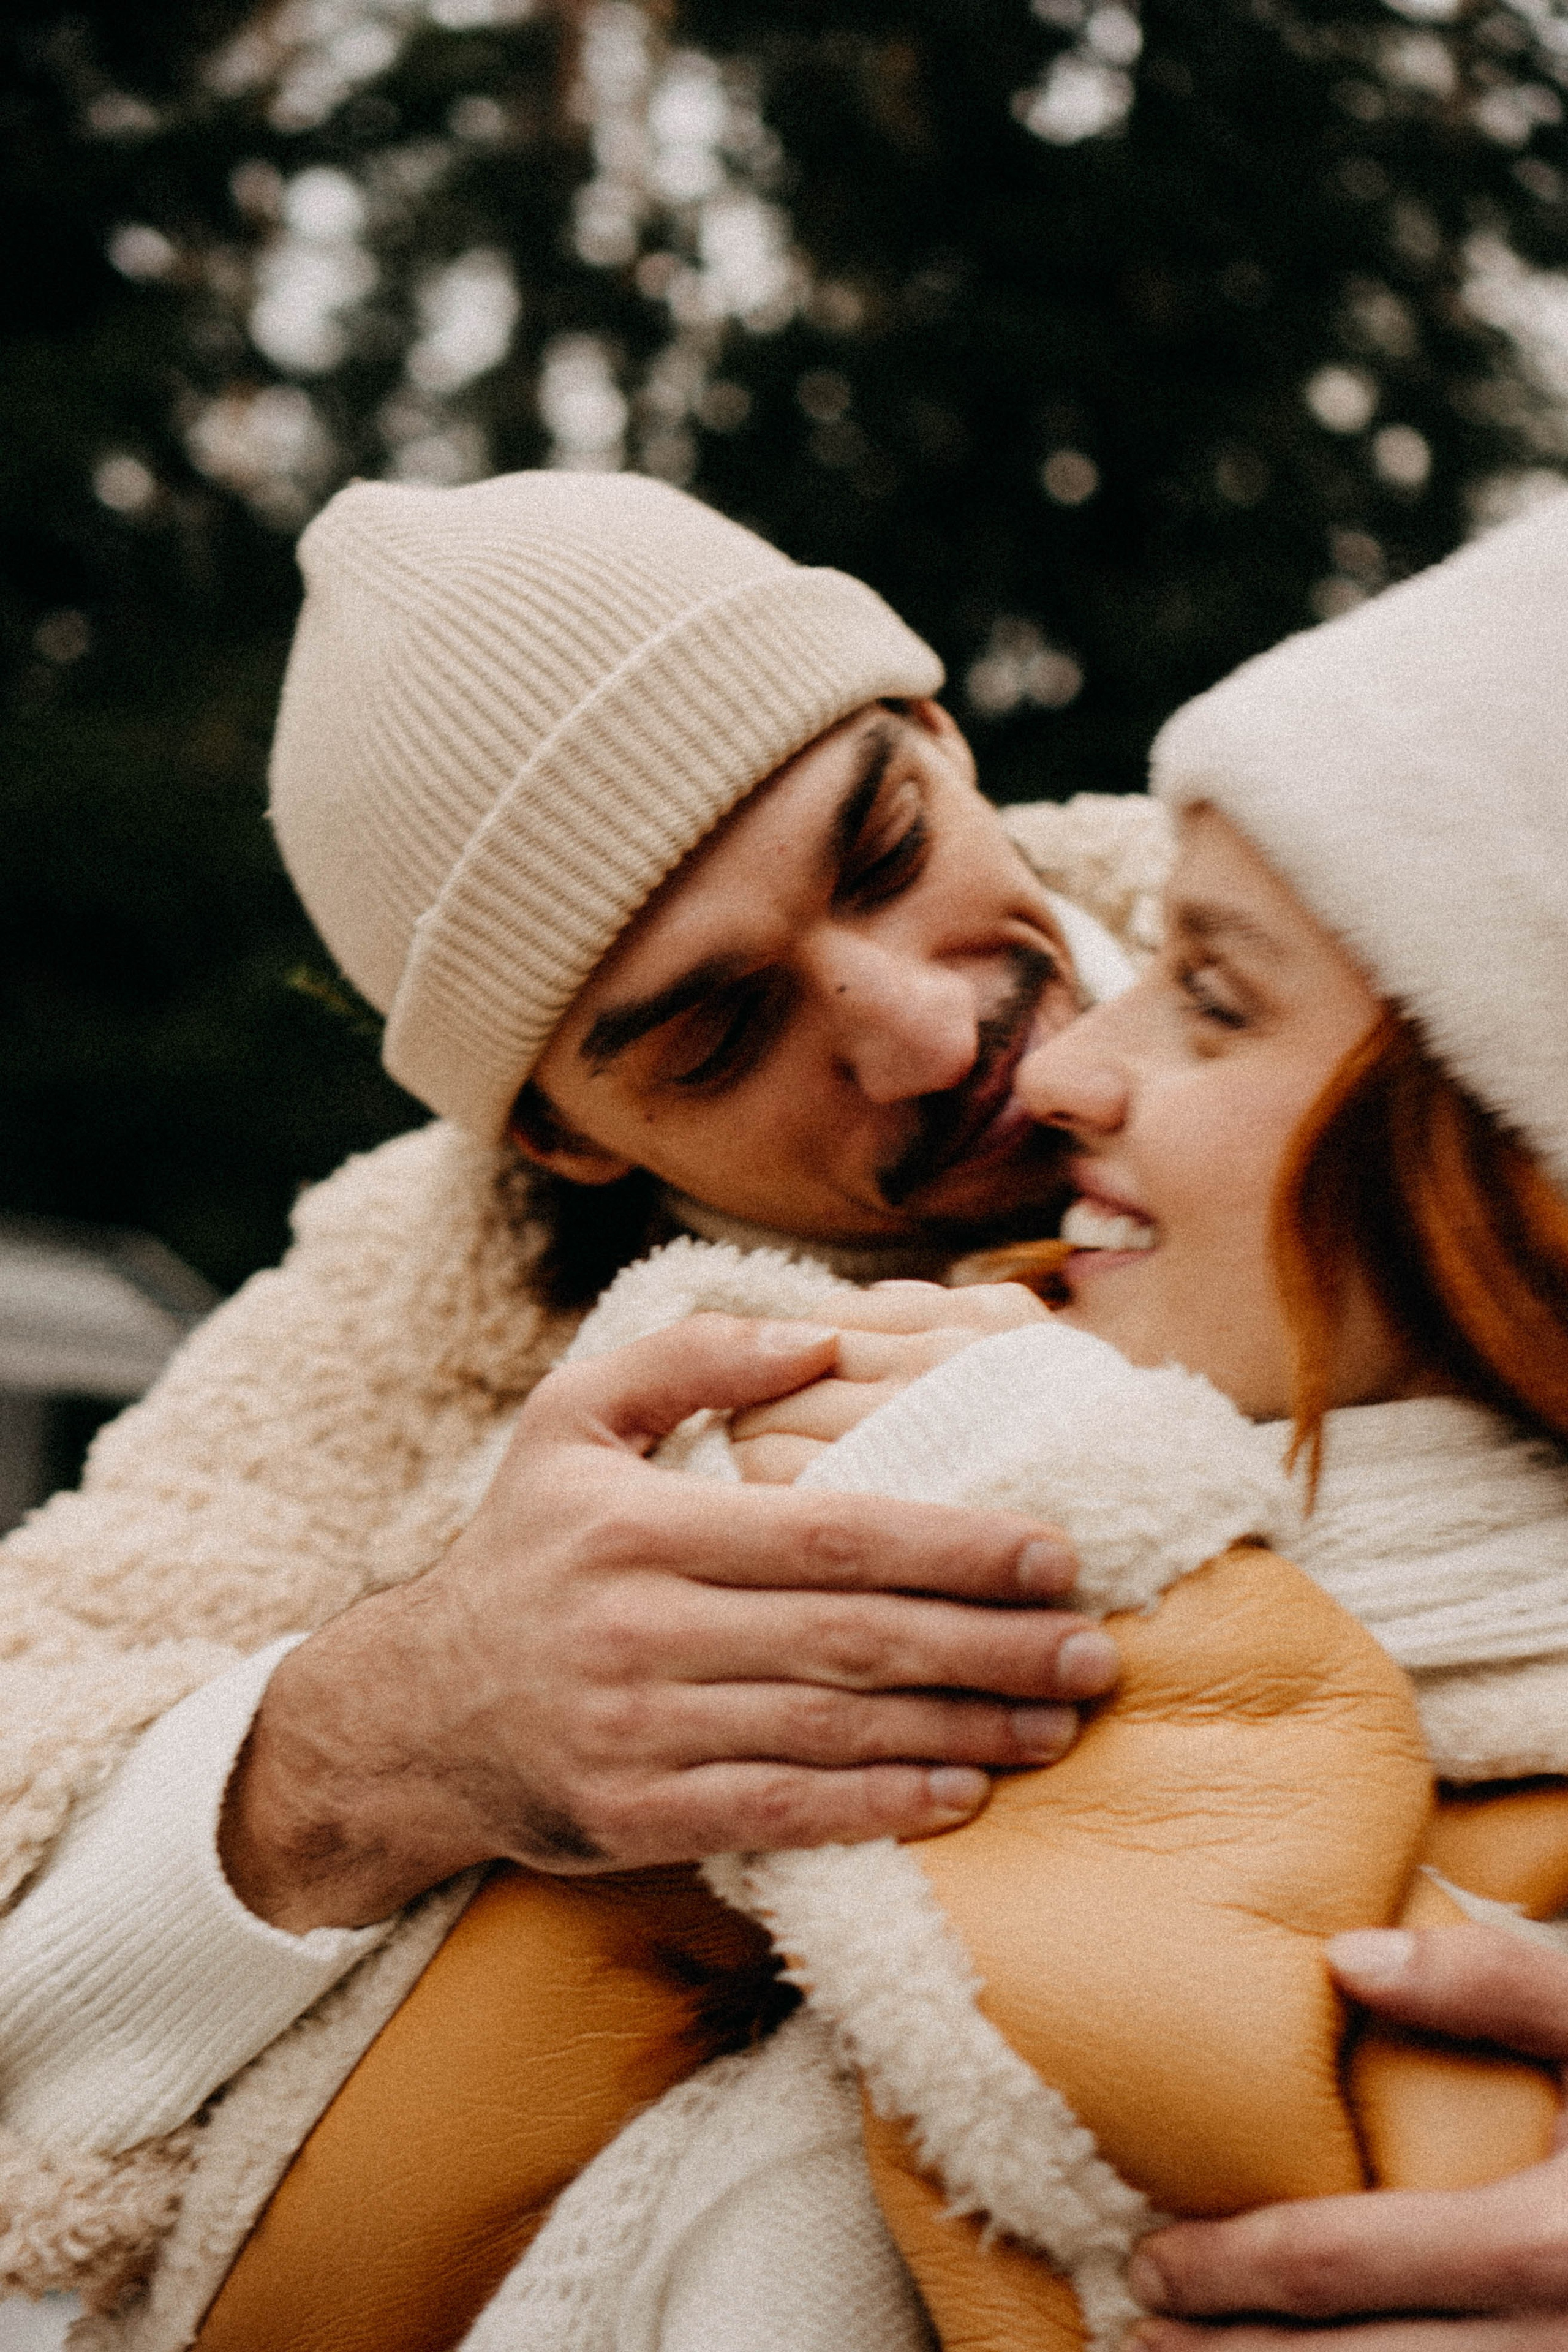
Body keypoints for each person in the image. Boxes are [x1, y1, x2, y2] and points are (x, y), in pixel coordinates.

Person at [0, 469, 1163, 2321]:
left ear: (936, 724)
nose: (931, 1038)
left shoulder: (1413, 954)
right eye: (719, 1036)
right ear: (555, 1133)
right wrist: (395, 1732)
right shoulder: (389, 1322)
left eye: (884, 848)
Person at [456, 488, 1568, 2350]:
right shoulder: (629, 1485)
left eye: (1201, 992)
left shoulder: (1389, 858)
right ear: (565, 1137)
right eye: (713, 1032)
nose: (1036, 1065)